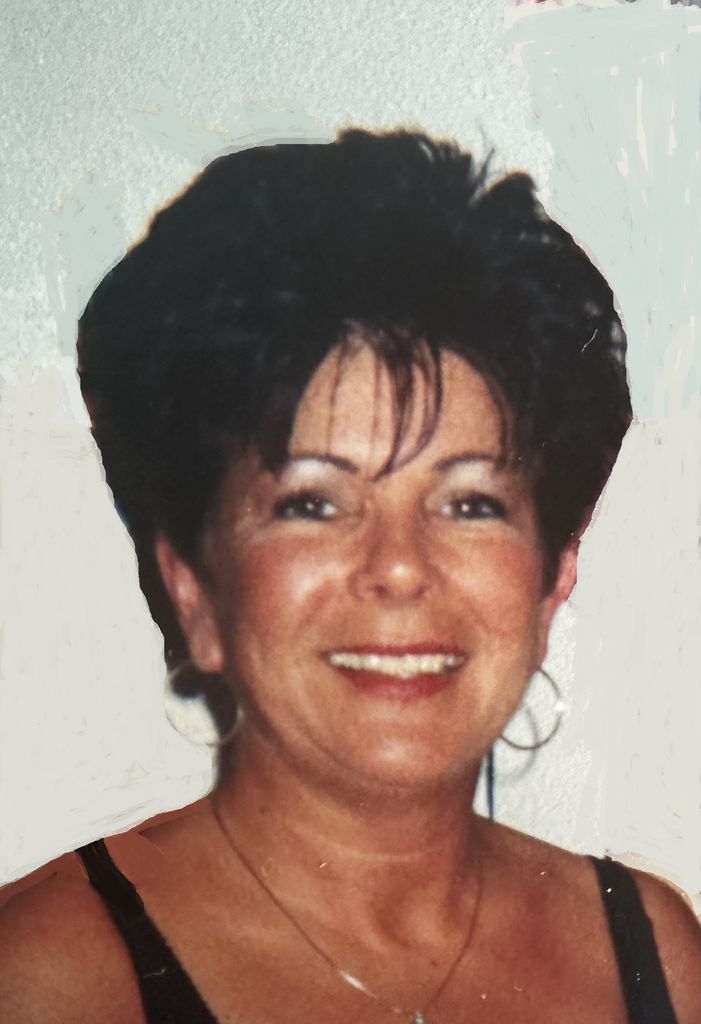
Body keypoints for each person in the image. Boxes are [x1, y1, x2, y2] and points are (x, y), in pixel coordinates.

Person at [1, 129, 700, 1023]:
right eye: (312, 503)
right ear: (192, 588)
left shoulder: (655, 954)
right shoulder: (49, 982)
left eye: (470, 503)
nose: (399, 566)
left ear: (552, 577)